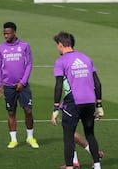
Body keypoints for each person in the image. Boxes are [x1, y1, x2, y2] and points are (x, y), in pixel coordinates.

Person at [51, 31, 103, 169]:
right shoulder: (86, 58)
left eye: (57, 45)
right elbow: (97, 84)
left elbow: (58, 85)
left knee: (68, 136)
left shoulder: (61, 61)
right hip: (90, 101)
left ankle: (70, 166)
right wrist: (99, 105)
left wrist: (56, 108)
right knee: (90, 134)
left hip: (73, 102)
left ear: (61, 45)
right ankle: (97, 166)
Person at [0, 22, 39, 149]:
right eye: (4, 33)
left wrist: (23, 82)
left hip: (23, 86)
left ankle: (30, 137)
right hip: (8, 86)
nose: (5, 36)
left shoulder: (24, 46)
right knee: (11, 112)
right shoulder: (0, 48)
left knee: (28, 110)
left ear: (14, 32)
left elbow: (29, 64)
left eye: (8, 33)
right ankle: (13, 139)